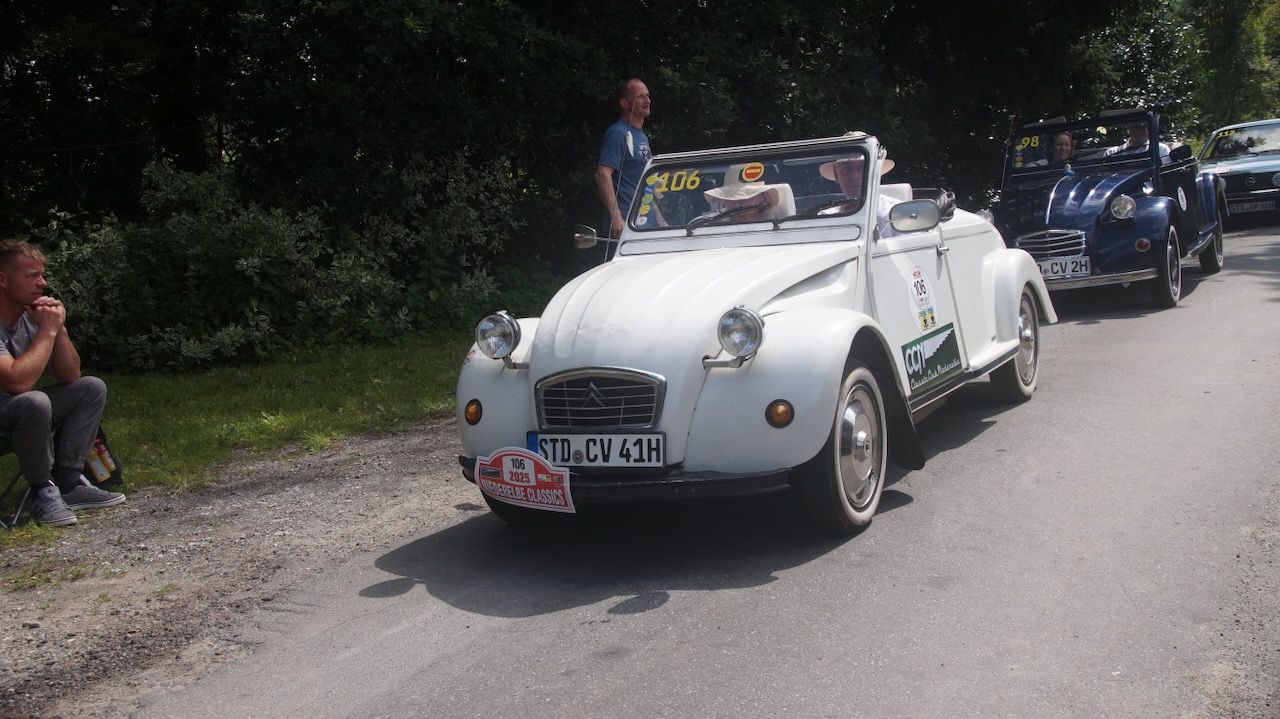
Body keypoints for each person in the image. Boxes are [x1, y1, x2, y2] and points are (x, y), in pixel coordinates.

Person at [0, 239, 124, 526]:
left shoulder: (31, 317)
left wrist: (58, 329)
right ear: (3, 280)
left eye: (42, 275)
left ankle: (68, 482)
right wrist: (47, 332)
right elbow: (17, 383)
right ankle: (42, 492)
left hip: (16, 411)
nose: (42, 283)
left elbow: (70, 376)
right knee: (34, 400)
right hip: (13, 408)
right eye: (32, 275)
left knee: (90, 388)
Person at [595, 78, 652, 239]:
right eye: (640, 96)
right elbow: (602, 174)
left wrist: (660, 219)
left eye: (648, 96)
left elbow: (647, 181)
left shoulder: (642, 136)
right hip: (625, 226)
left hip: (644, 223)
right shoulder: (618, 133)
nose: (647, 100)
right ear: (624, 103)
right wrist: (616, 218)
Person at [817, 144, 899, 236]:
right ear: (836, 174)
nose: (854, 176)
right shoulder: (825, 218)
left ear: (874, 172)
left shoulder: (897, 213)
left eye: (862, 168)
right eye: (847, 169)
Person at [1104, 123, 1171, 162]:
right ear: (1130, 129)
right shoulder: (1112, 153)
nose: (1145, 131)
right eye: (1140, 128)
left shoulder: (1160, 149)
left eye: (1147, 127)